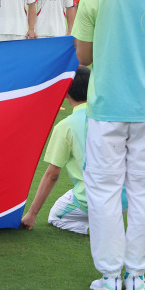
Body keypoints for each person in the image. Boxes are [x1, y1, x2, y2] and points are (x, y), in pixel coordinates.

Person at [72, 0, 145, 290]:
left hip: (107, 107)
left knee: (103, 191)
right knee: (143, 191)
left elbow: (83, 56)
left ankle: (110, 276)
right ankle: (138, 275)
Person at [20, 67, 127, 235]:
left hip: (94, 199)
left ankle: (99, 231)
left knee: (56, 216)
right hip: (127, 198)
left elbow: (52, 174)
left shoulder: (65, 126)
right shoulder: (114, 116)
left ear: (66, 93)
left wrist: (32, 214)